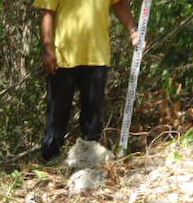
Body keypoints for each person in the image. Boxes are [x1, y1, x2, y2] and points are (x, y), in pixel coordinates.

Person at [35, 0, 140, 160]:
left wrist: (133, 29)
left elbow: (120, 4)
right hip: (62, 58)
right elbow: (48, 13)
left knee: (93, 117)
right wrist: (49, 50)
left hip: (96, 57)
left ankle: (92, 161)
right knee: (57, 116)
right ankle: (51, 160)